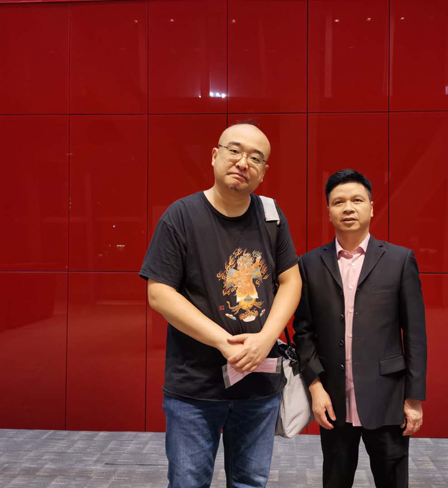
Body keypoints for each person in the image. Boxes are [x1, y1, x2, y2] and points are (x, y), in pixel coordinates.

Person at [139, 123, 301, 488]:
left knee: (250, 482)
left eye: (255, 158)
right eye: (235, 151)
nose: (243, 163)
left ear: (264, 172)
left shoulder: (271, 216)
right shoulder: (181, 216)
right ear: (215, 156)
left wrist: (266, 338)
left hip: (258, 384)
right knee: (188, 482)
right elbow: (159, 293)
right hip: (195, 389)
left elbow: (291, 281)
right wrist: (223, 342)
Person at [293, 169, 427, 488]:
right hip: (333, 399)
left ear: (371, 207)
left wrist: (413, 398)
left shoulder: (399, 260)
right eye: (339, 202)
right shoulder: (309, 264)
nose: (348, 208)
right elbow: (304, 332)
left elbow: (415, 335)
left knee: (392, 480)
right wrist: (315, 388)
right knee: (335, 480)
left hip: (387, 397)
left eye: (357, 200)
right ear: (329, 211)